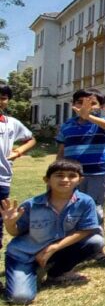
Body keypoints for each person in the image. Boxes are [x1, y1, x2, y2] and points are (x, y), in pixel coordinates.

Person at [3, 160, 103, 305]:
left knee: (95, 241)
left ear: (79, 180)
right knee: (20, 298)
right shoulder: (32, 205)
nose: (65, 180)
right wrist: (10, 223)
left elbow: (86, 230)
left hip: (54, 251)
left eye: (71, 176)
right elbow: (16, 233)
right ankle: (32, 270)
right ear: (47, 180)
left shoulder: (85, 202)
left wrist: (53, 248)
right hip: (24, 255)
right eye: (59, 175)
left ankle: (56, 273)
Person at [55, 89, 105, 236]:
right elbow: (62, 149)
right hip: (71, 176)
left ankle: (96, 244)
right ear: (73, 104)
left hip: (97, 174)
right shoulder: (67, 125)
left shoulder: (101, 123)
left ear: (101, 107)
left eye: (92, 103)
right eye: (80, 103)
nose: (85, 106)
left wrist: (88, 116)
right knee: (71, 207)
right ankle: (71, 242)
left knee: (96, 208)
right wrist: (56, 172)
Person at [0, 84, 37, 254]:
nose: (0, 101)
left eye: (3, 97)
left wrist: (19, 151)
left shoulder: (11, 123)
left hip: (2, 180)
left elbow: (31, 139)